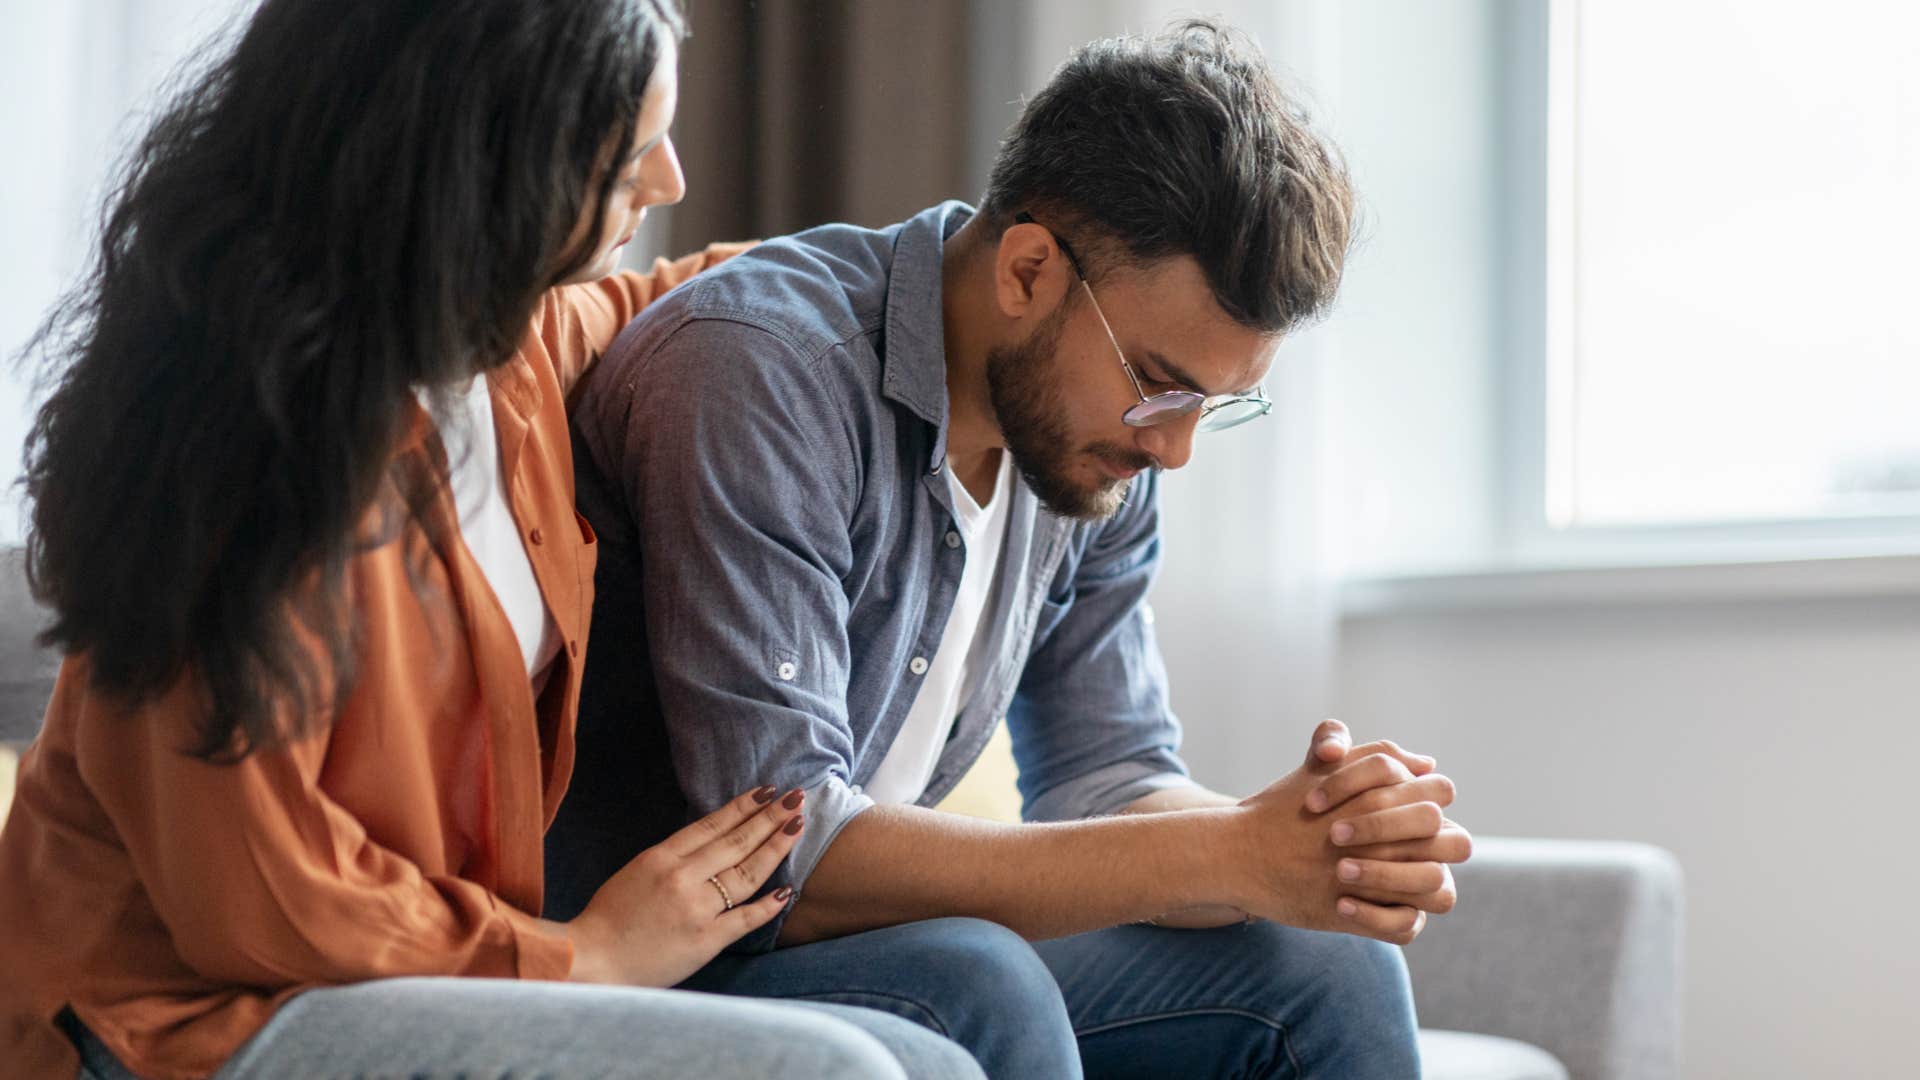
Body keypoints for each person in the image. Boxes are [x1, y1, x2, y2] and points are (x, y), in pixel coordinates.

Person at [0, 2, 982, 1077]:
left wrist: (952, 287)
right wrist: (584, 957)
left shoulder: (503, 350)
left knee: (945, 1037)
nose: (670, 181)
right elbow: (258, 895)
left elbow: (711, 297)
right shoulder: (232, 447)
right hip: (180, 1021)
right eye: (627, 154)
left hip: (414, 978)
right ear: (481, 153)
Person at [550, 19, 1474, 1079]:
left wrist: (1308, 846)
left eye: (1213, 407)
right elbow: (784, 851)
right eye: (1161, 386)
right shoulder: (763, 372)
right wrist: (1221, 854)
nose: (1173, 448)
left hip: (881, 950)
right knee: (979, 977)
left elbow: (1110, 772)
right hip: (674, 956)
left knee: (1330, 968)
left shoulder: (1086, 450)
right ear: (1029, 270)